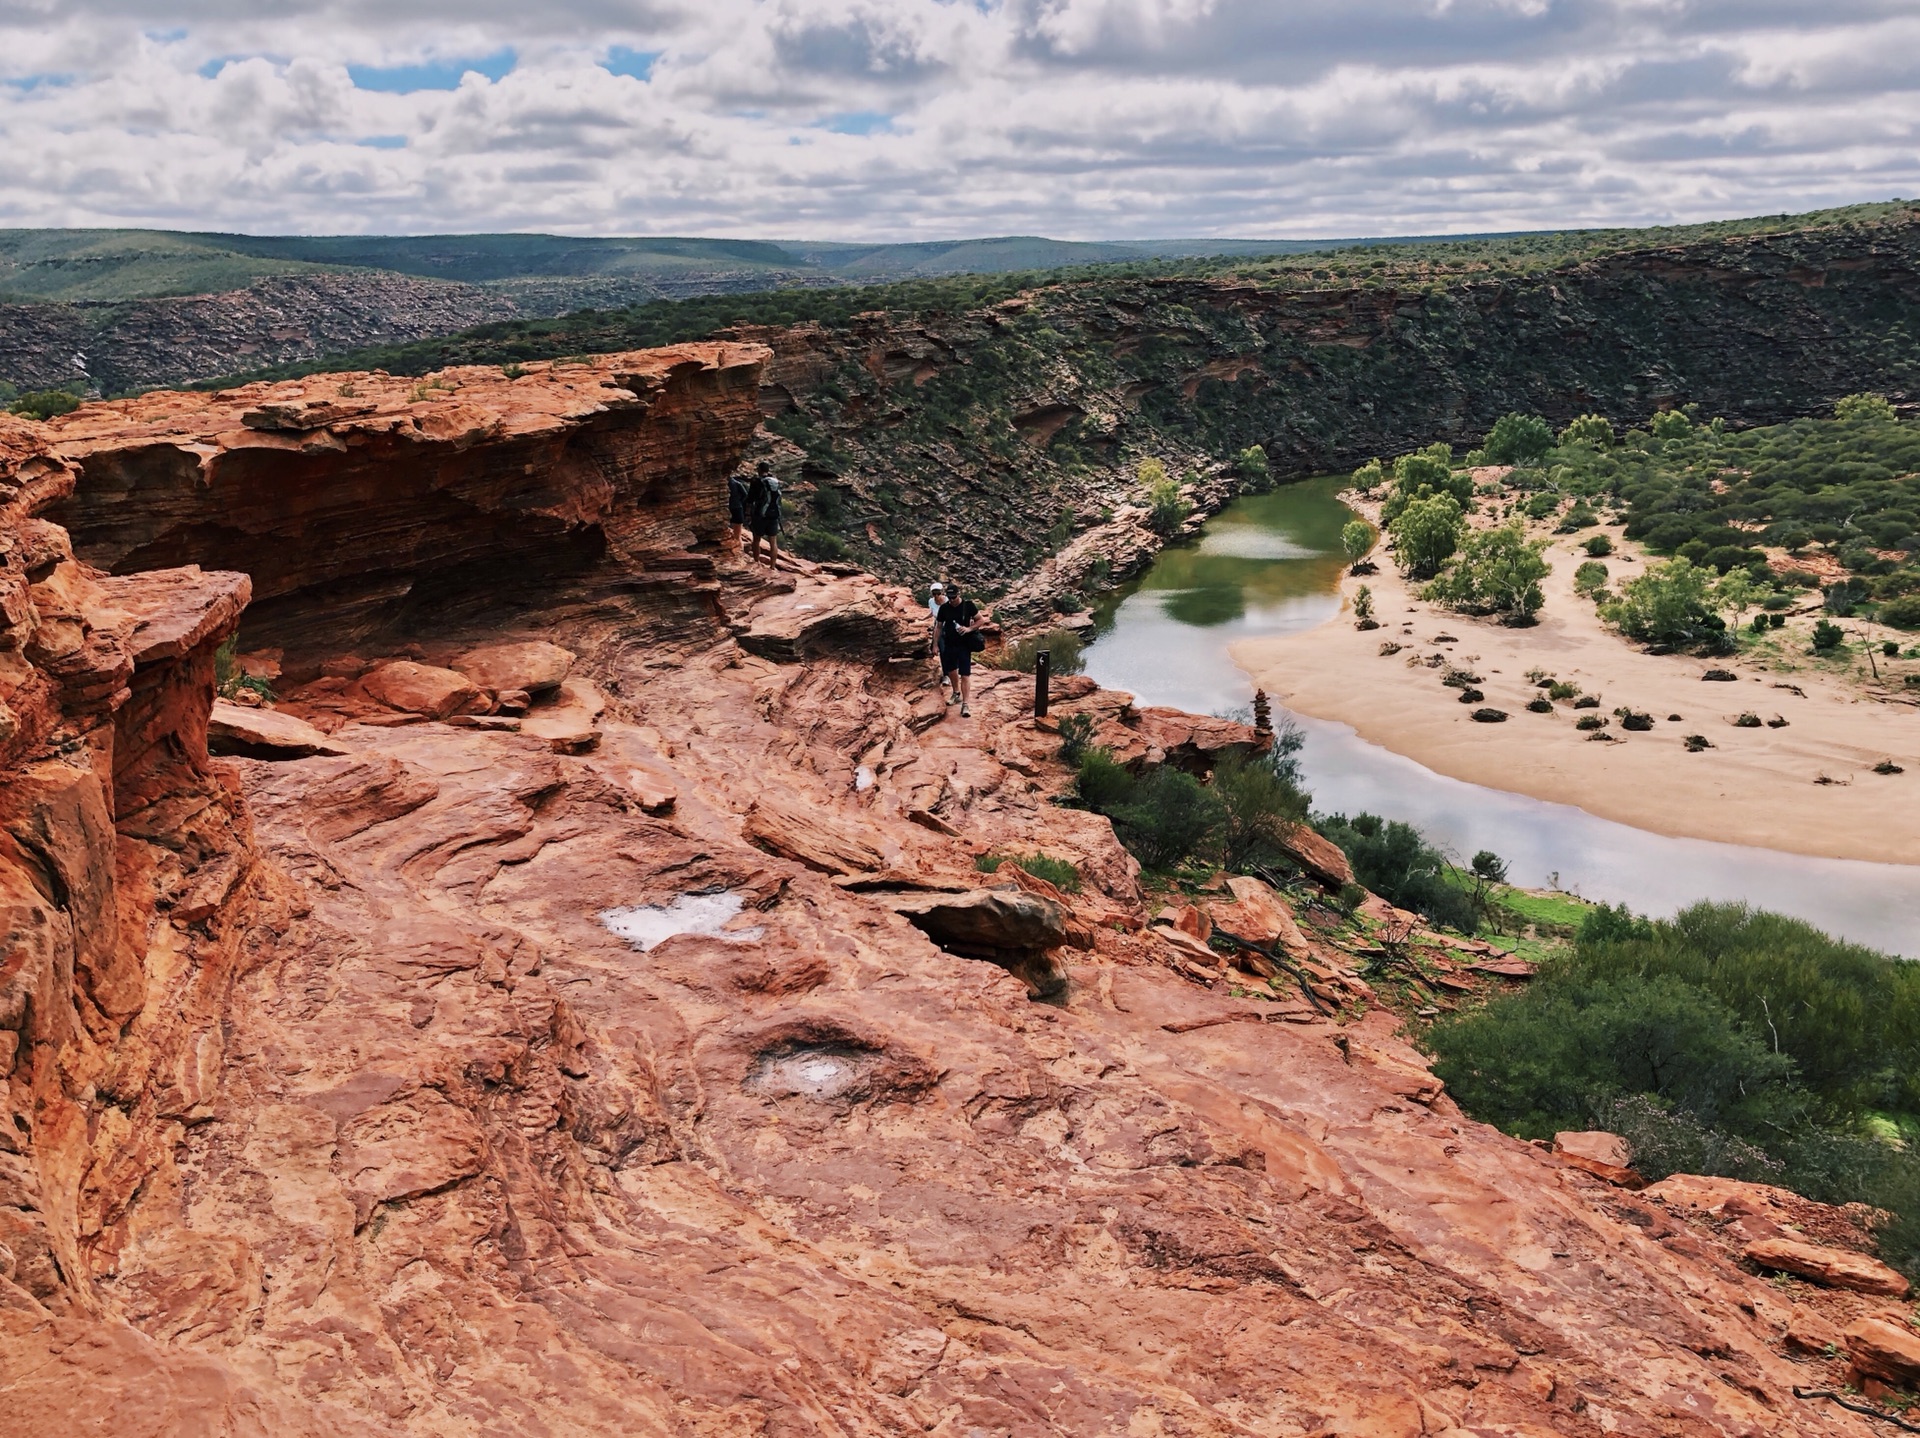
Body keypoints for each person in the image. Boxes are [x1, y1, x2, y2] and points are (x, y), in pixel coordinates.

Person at [937, 583, 986, 717]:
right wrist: (935, 644)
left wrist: (969, 629)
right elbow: (939, 627)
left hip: (964, 645)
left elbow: (981, 620)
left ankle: (965, 704)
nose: (952, 600)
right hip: (949, 644)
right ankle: (956, 692)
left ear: (959, 594)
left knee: (965, 674)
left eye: (954, 597)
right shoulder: (944, 608)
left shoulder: (968, 605)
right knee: (952, 670)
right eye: (949, 597)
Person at [746, 463, 783, 568]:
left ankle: (756, 562)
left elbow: (750, 498)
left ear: (759, 469)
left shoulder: (757, 482)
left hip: (760, 515)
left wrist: (748, 514)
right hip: (773, 515)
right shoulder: (775, 482)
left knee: (756, 539)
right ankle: (772, 566)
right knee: (773, 541)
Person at [727, 467, 752, 551]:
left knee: (728, 534)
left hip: (727, 510)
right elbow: (745, 495)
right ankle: (739, 553)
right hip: (737, 509)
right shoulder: (737, 483)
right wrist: (739, 502)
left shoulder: (724, 484)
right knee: (737, 536)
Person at [926, 580, 946, 679]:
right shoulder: (931, 601)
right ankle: (946, 674)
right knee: (942, 650)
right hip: (938, 626)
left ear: (942, 592)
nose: (936, 596)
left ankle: (951, 671)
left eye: (938, 593)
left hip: (949, 627)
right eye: (934, 593)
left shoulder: (948, 601)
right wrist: (923, 619)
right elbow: (932, 612)